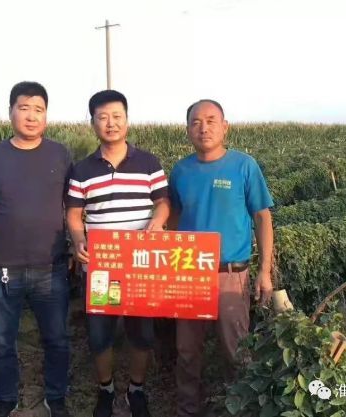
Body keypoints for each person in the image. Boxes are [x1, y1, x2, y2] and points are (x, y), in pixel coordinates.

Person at [0, 81, 73, 417]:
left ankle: (56, 397)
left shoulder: (60, 155)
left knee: (56, 339)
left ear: (46, 116)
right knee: (1, 342)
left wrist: (74, 245)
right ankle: (6, 399)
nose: (31, 116)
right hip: (2, 268)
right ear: (10, 112)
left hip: (50, 266)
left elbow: (72, 206)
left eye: (39, 109)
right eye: (24, 108)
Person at [66, 90, 170, 417]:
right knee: (100, 336)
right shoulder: (82, 170)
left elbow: (163, 202)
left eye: (117, 116)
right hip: (101, 266)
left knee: (142, 334)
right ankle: (106, 390)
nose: (110, 123)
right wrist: (78, 240)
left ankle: (136, 390)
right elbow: (73, 214)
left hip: (140, 265)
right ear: (93, 123)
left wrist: (157, 222)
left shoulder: (148, 163)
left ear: (127, 120)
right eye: (103, 117)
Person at [169, 99, 274, 417]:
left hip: (231, 274)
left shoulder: (244, 166)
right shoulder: (181, 171)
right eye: (196, 122)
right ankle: (188, 409)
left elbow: (262, 217)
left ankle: (240, 408)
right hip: (190, 273)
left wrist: (264, 271)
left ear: (225, 127)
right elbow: (173, 218)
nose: (204, 128)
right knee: (187, 350)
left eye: (211, 121)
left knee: (236, 348)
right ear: (187, 130)